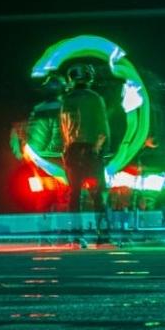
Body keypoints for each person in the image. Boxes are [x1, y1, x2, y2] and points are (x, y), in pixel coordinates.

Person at [59, 63, 111, 246]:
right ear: (90, 78)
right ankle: (102, 237)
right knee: (98, 195)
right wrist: (100, 149)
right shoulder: (96, 99)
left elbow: (63, 131)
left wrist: (66, 152)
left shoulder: (66, 100)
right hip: (91, 151)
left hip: (72, 152)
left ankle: (75, 236)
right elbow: (102, 128)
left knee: (74, 196)